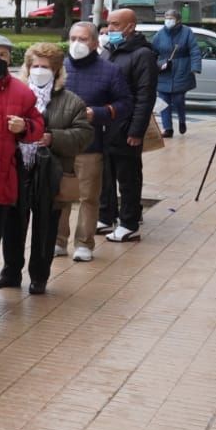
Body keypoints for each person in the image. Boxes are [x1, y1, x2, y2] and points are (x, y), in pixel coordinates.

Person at [0, 43, 91, 295]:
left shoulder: (71, 101)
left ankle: (39, 276)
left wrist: (53, 138)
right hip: (17, 168)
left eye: (45, 67)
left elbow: (83, 135)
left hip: (50, 171)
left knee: (46, 226)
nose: (39, 71)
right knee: (12, 224)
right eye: (35, 66)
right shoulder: (15, 94)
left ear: (57, 70)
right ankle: (10, 271)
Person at [0, 35, 43, 308]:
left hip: (2, 181)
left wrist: (24, 127)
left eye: (3, 54)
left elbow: (38, 127)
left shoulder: (22, 92)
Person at [60, 21, 132, 262]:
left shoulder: (110, 71)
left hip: (90, 145)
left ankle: (83, 243)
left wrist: (99, 113)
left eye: (83, 39)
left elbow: (124, 104)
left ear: (94, 42)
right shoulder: (59, 66)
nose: (77, 44)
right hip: (60, 144)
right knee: (59, 196)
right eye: (73, 39)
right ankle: (58, 241)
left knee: (88, 197)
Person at [99, 9, 157, 243]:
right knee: (105, 173)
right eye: (108, 24)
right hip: (105, 124)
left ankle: (129, 222)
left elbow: (145, 95)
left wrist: (136, 130)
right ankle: (106, 215)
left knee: (128, 176)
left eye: (115, 25)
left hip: (126, 125)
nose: (109, 29)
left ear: (130, 27)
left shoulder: (142, 55)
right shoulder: (108, 51)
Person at [152, 8, 202, 137]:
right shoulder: (159, 34)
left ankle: (181, 120)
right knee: (163, 102)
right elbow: (153, 53)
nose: (168, 20)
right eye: (166, 17)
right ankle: (167, 128)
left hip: (182, 69)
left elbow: (194, 50)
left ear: (178, 20)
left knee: (179, 99)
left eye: (171, 18)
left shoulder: (187, 32)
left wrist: (195, 67)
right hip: (164, 71)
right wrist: (157, 65)